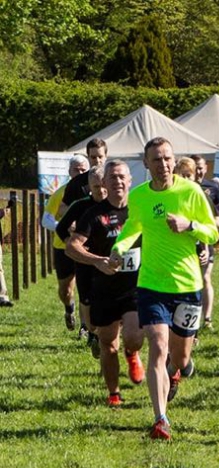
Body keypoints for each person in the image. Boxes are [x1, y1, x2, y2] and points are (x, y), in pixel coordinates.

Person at [109, 137, 219, 439]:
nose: (163, 164)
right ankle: (161, 418)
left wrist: (190, 226)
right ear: (146, 164)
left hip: (187, 285)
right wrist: (119, 247)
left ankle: (179, 367)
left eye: (167, 158)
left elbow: (212, 232)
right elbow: (134, 227)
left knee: (179, 357)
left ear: (174, 161)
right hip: (152, 283)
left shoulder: (191, 191)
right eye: (156, 159)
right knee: (157, 345)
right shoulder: (140, 196)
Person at [66, 160, 145, 406]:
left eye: (122, 177)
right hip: (104, 288)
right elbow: (72, 246)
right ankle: (114, 394)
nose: (118, 182)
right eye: (112, 178)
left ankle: (132, 353)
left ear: (130, 181)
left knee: (133, 337)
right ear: (104, 184)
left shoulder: (140, 209)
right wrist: (97, 260)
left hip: (136, 287)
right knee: (108, 343)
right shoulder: (94, 214)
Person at [54, 162, 106, 356]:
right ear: (89, 187)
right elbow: (60, 228)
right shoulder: (80, 206)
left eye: (103, 186)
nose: (100, 191)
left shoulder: (117, 205)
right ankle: (93, 332)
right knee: (87, 300)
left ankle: (104, 339)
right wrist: (72, 244)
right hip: (84, 260)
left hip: (108, 260)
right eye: (95, 187)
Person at [46, 154, 92, 335]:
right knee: (66, 289)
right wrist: (64, 227)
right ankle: (69, 307)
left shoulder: (96, 192)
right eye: (76, 170)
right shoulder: (60, 193)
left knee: (85, 287)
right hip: (62, 246)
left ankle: (85, 326)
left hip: (86, 247)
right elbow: (45, 220)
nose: (79, 173)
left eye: (83, 170)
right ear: (69, 171)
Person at [176, 157, 218, 330]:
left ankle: (204, 320)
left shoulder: (201, 195)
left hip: (201, 245)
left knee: (203, 279)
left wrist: (206, 247)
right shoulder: (172, 195)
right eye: (182, 175)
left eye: (189, 175)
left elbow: (211, 224)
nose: (186, 179)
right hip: (179, 249)